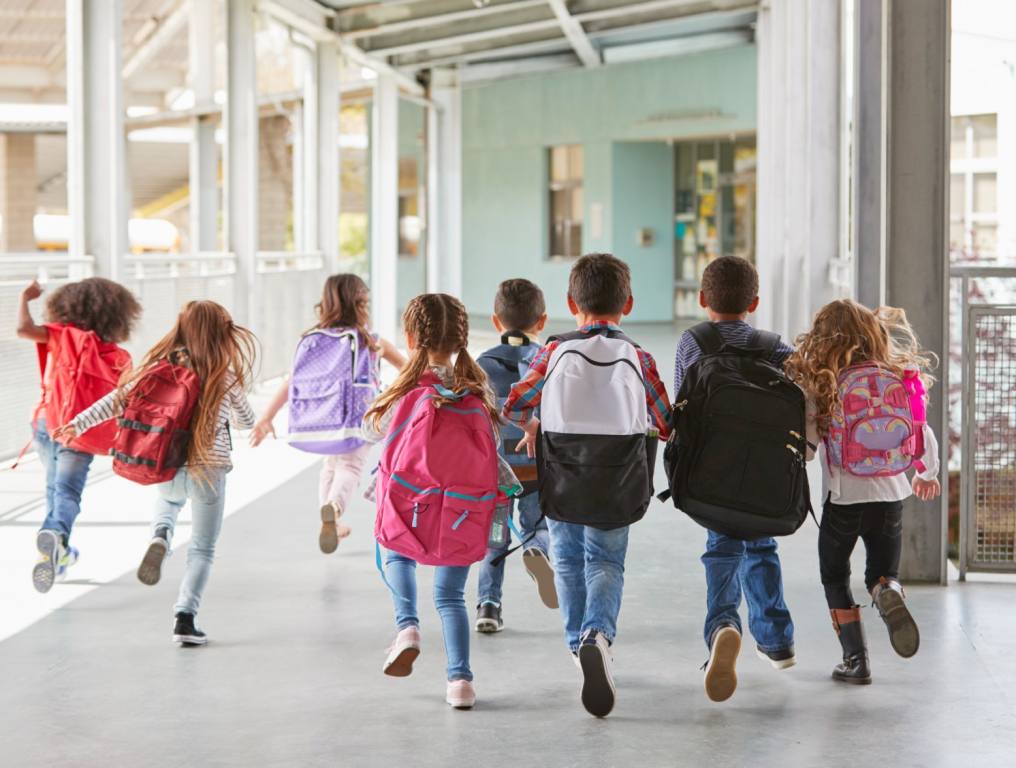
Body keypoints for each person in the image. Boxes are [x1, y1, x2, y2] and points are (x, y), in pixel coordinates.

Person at [504, 254, 671, 718]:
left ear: (570, 303)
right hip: (618, 479)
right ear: (629, 304)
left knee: (568, 560)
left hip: (563, 473)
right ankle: (598, 635)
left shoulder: (554, 350)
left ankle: (580, 645)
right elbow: (666, 421)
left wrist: (538, 423)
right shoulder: (639, 355)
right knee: (605, 561)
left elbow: (515, 405)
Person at [55, 301, 257, 647]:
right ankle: (185, 618)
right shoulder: (224, 375)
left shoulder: (161, 368)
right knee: (203, 549)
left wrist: (77, 423)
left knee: (168, 502)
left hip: (167, 463)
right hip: (209, 470)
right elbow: (247, 421)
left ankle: (160, 536)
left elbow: (117, 400)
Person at [362, 293, 518, 710]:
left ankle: (407, 627)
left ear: (410, 337)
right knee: (450, 597)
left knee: (393, 552)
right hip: (462, 510)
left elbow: (376, 439)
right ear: (462, 339)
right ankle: (461, 682)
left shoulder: (405, 391)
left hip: (410, 505)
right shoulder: (477, 391)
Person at [786, 299, 941, 685]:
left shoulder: (824, 382)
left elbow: (806, 450)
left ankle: (856, 661)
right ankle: (887, 591)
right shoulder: (897, 375)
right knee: (882, 570)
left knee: (835, 575)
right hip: (892, 494)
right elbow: (922, 430)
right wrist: (927, 473)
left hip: (843, 498)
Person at [672, 256, 797, 703]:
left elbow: (680, 406)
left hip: (713, 470)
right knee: (762, 545)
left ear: (704, 300)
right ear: (755, 303)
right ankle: (777, 642)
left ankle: (723, 625)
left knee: (721, 547)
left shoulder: (693, 342)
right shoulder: (775, 347)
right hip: (764, 473)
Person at [249, 274, 405, 552]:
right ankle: (333, 508)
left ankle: (330, 517)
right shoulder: (371, 341)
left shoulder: (314, 339)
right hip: (359, 419)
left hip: (324, 416)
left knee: (331, 466)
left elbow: (291, 381)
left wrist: (267, 417)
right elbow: (408, 370)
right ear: (360, 305)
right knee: (351, 466)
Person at [15, 277, 141, 593]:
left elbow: (22, 330)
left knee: (54, 488)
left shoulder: (61, 336)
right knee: (67, 491)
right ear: (117, 315)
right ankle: (56, 536)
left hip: (46, 423)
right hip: (80, 433)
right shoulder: (118, 357)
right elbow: (125, 402)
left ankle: (59, 553)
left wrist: (23, 298)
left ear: (67, 306)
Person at [474, 278, 556, 633]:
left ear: (496, 322)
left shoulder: (481, 365)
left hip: (497, 473)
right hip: (537, 466)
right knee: (538, 524)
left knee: (495, 539)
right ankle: (536, 547)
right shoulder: (550, 360)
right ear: (543, 321)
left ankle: (488, 607)